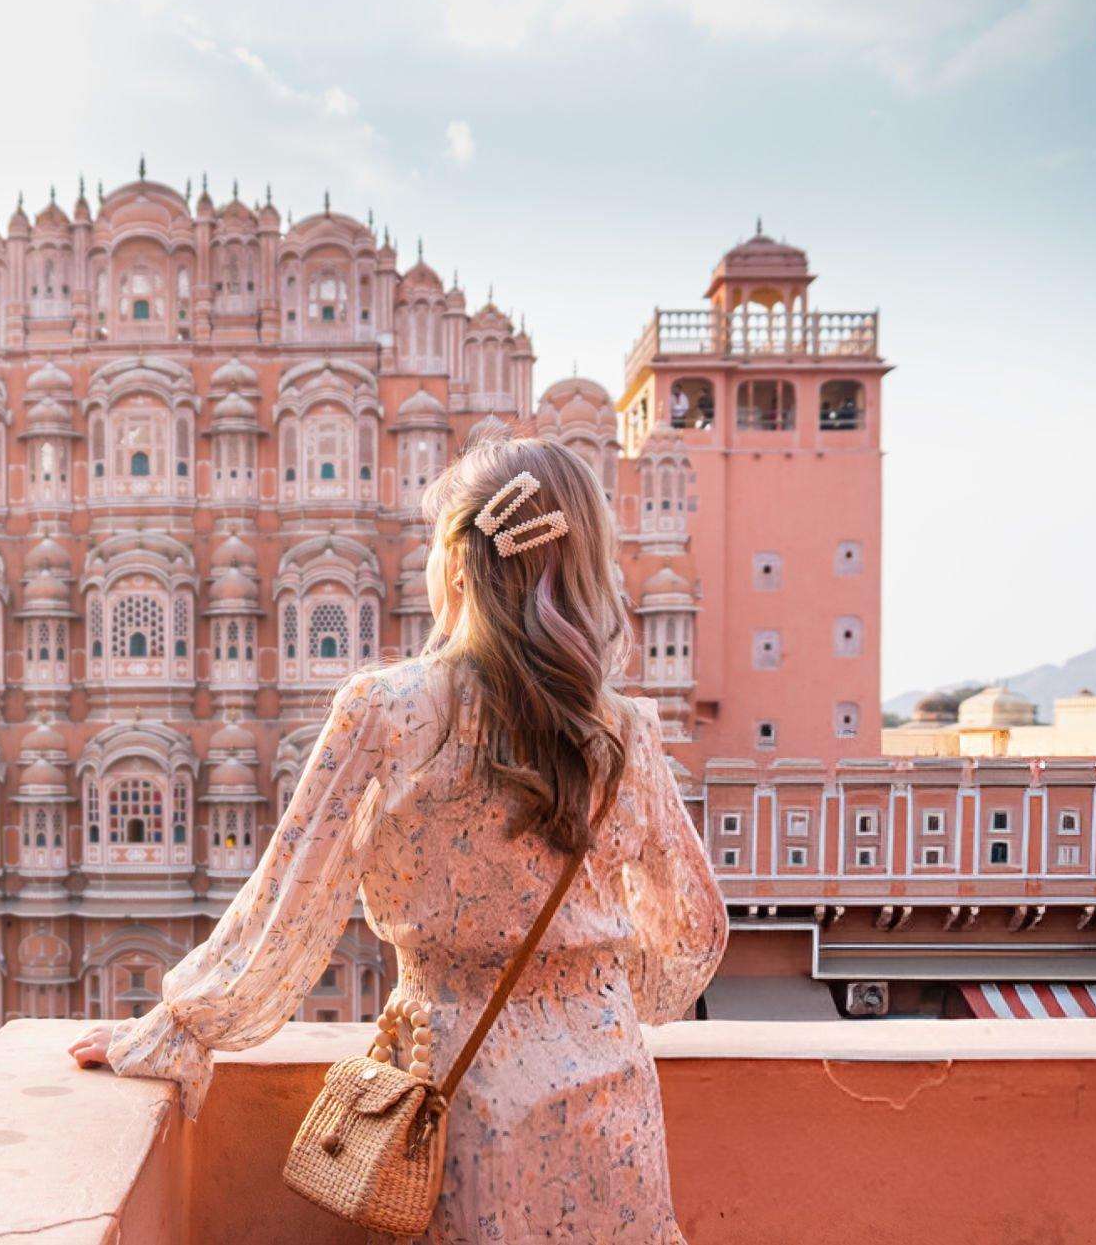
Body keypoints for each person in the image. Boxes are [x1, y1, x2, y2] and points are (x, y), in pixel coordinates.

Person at [67, 439, 728, 1243]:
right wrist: (592, 998)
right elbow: (696, 929)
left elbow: (288, 903)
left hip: (460, 1104)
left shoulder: (390, 712)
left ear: (458, 562)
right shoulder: (623, 731)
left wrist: (178, 1028)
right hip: (609, 1107)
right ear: (587, 561)